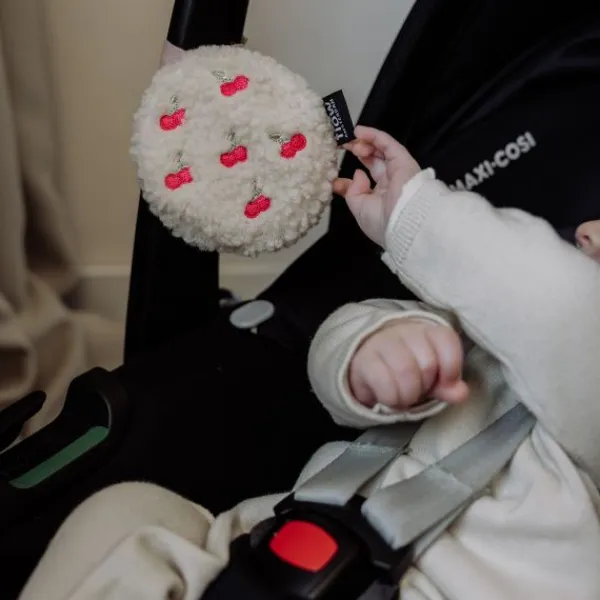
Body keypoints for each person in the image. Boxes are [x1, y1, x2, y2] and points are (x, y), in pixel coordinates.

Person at [18, 127, 600, 600]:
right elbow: (331, 353)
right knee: (123, 510)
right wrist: (371, 350)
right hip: (268, 542)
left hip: (438, 586)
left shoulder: (580, 366)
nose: (587, 230)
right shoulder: (474, 323)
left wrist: (417, 213)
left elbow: (561, 308)